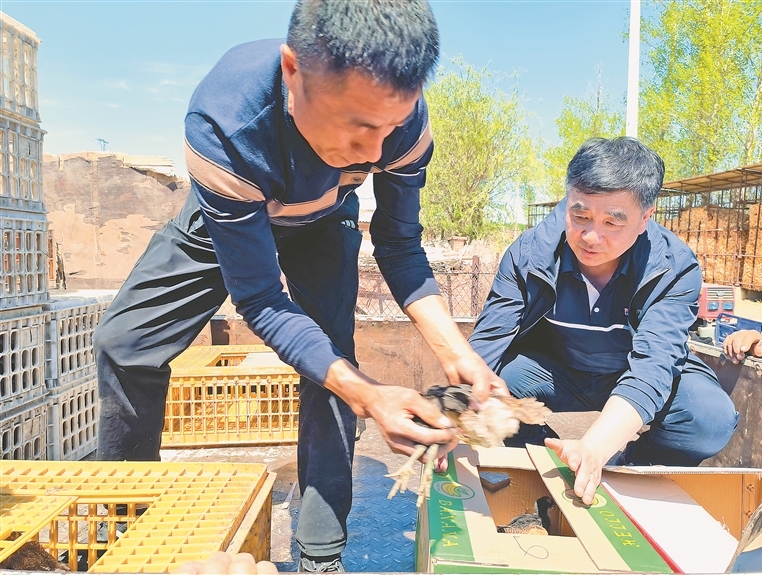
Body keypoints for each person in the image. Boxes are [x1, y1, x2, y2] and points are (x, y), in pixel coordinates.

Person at [94, 1, 503, 572]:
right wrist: (371, 397)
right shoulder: (225, 125)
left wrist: (456, 352)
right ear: (293, 71)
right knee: (124, 344)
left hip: (324, 220)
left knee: (330, 362)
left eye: (388, 128)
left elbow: (399, 245)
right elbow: (260, 299)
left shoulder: (403, 120)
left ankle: (320, 554)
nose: (374, 153)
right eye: (358, 126)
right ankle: (127, 521)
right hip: (232, 215)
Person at [468, 137, 739, 505]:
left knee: (708, 418)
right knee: (496, 382)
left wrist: (596, 447)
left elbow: (655, 365)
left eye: (612, 222)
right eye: (580, 216)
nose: (591, 237)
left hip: (631, 368)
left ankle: (627, 466)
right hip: (558, 371)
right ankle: (541, 456)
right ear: (568, 201)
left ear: (645, 218)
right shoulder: (530, 252)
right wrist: (455, 416)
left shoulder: (673, 267)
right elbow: (488, 343)